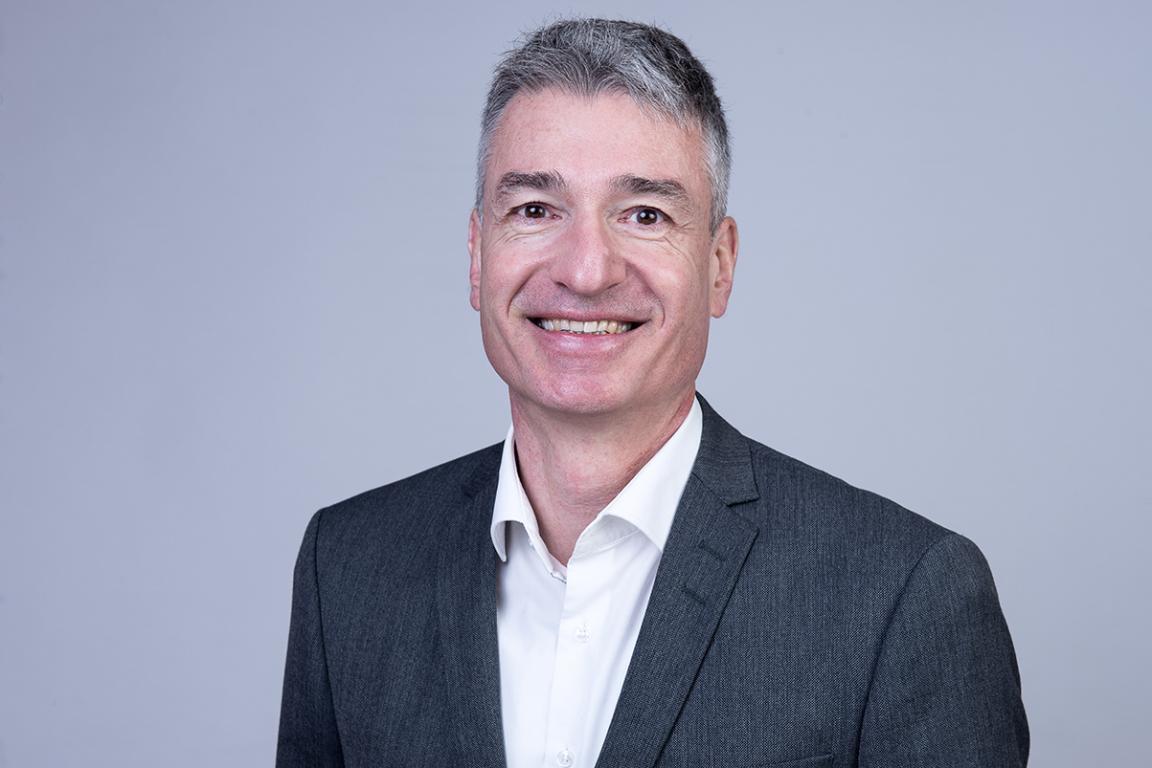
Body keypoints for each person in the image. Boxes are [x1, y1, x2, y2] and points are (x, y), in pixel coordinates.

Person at [276, 18, 1028, 768]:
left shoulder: (902, 595)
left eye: (645, 215)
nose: (586, 271)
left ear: (719, 265)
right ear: (478, 256)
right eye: (535, 210)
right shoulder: (347, 569)